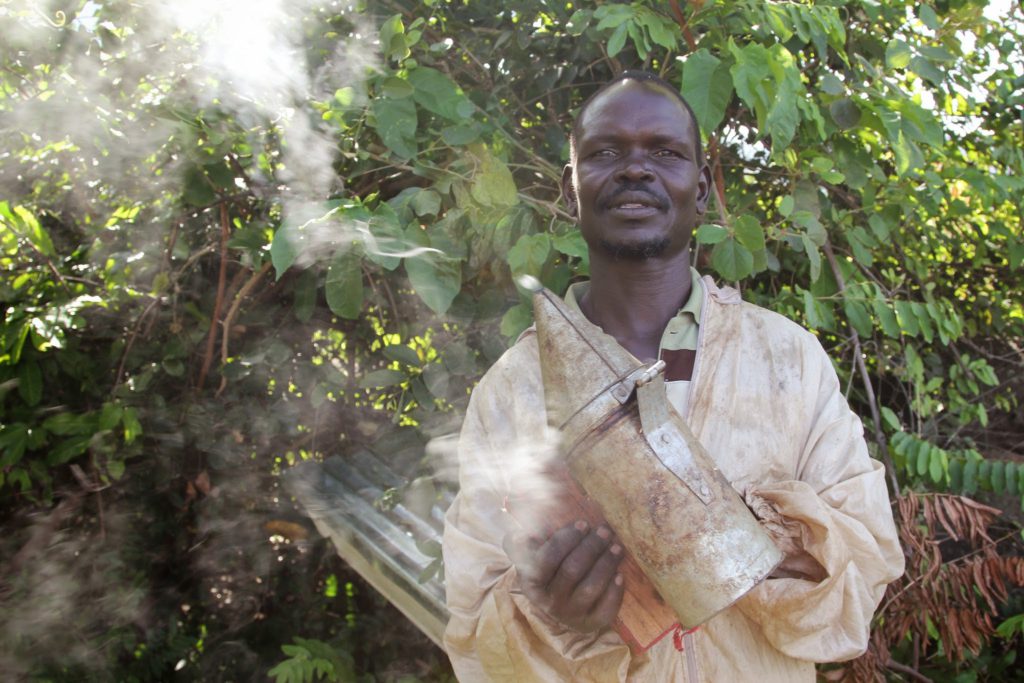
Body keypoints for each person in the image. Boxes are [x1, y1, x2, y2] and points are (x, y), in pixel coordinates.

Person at [441, 71, 904, 681]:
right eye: (605, 153)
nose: (635, 169)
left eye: (665, 152)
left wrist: (745, 534)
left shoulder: (786, 358)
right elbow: (474, 633)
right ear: (571, 188)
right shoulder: (512, 389)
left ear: (703, 188)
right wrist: (552, 614)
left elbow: (861, 572)